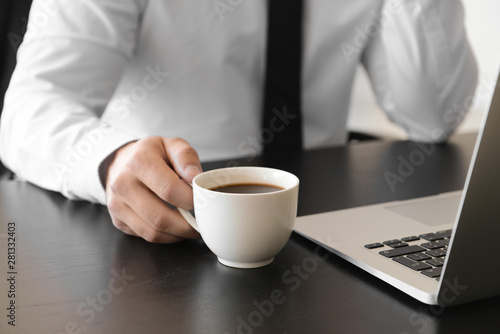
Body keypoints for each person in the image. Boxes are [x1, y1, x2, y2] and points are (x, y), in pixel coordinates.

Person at [0, 0, 477, 243]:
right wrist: (110, 160)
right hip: (161, 233)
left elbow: (432, 119)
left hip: (331, 229)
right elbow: (30, 105)